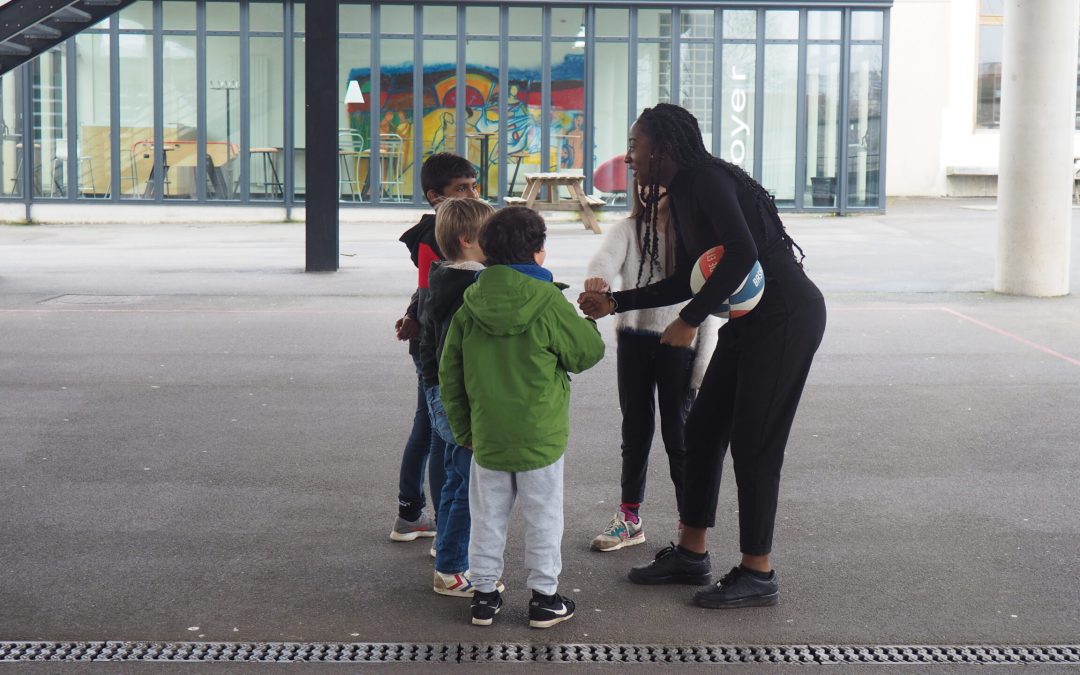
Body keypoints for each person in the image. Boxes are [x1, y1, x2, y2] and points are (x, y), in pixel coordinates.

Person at [578, 103, 826, 609]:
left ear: (663, 149)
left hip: (784, 319)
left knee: (755, 444)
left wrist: (689, 319)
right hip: (747, 321)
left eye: (636, 146)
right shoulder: (683, 191)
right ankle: (692, 554)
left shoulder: (706, 180)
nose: (630, 158)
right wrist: (617, 302)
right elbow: (688, 279)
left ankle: (758, 572)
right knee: (703, 430)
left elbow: (742, 254)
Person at [439, 207, 605, 628]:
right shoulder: (548, 301)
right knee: (544, 515)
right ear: (538, 253)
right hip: (540, 436)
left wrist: (464, 430)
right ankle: (545, 599)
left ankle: (483, 596)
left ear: (486, 253)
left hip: (486, 437)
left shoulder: (469, 305)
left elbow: (450, 375)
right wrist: (589, 323)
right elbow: (586, 353)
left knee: (487, 517)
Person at [583, 180, 718, 553]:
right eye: (642, 184)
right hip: (634, 338)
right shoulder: (628, 229)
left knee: (680, 435)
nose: (647, 190)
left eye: (657, 184)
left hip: (678, 340)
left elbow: (710, 294)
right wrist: (599, 279)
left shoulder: (694, 234)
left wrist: (703, 356)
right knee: (636, 429)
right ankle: (629, 518)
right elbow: (606, 258)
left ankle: (688, 523)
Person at [390, 153, 480, 545]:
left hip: (433, 343)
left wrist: (412, 311)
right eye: (462, 188)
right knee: (441, 436)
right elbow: (434, 290)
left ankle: (411, 513)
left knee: (427, 430)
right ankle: (442, 524)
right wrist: (416, 317)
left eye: (474, 185)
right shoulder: (436, 237)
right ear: (434, 196)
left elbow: (426, 291)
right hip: (438, 350)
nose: (472, 194)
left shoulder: (445, 231)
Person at [418, 197, 500, 596]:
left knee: (455, 479)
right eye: (490, 236)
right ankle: (452, 567)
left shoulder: (441, 278)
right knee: (470, 488)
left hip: (439, 393)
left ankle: (449, 559)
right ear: (469, 240)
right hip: (461, 399)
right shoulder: (473, 287)